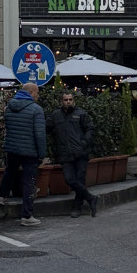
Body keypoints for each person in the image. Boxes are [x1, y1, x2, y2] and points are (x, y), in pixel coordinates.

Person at [0, 81, 46, 227]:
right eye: (37, 93)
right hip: (30, 151)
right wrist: (42, 154)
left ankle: (1, 196)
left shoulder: (9, 107)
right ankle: (27, 215)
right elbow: (40, 134)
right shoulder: (36, 110)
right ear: (31, 92)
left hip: (12, 148)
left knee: (10, 171)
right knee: (29, 182)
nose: (38, 95)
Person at [47, 90, 98, 218]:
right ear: (61, 101)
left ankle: (77, 207)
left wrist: (83, 143)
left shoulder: (81, 113)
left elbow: (90, 129)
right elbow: (45, 128)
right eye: (66, 100)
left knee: (80, 180)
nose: (68, 102)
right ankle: (91, 198)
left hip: (80, 153)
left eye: (70, 99)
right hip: (65, 154)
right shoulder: (55, 115)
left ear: (73, 100)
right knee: (70, 179)